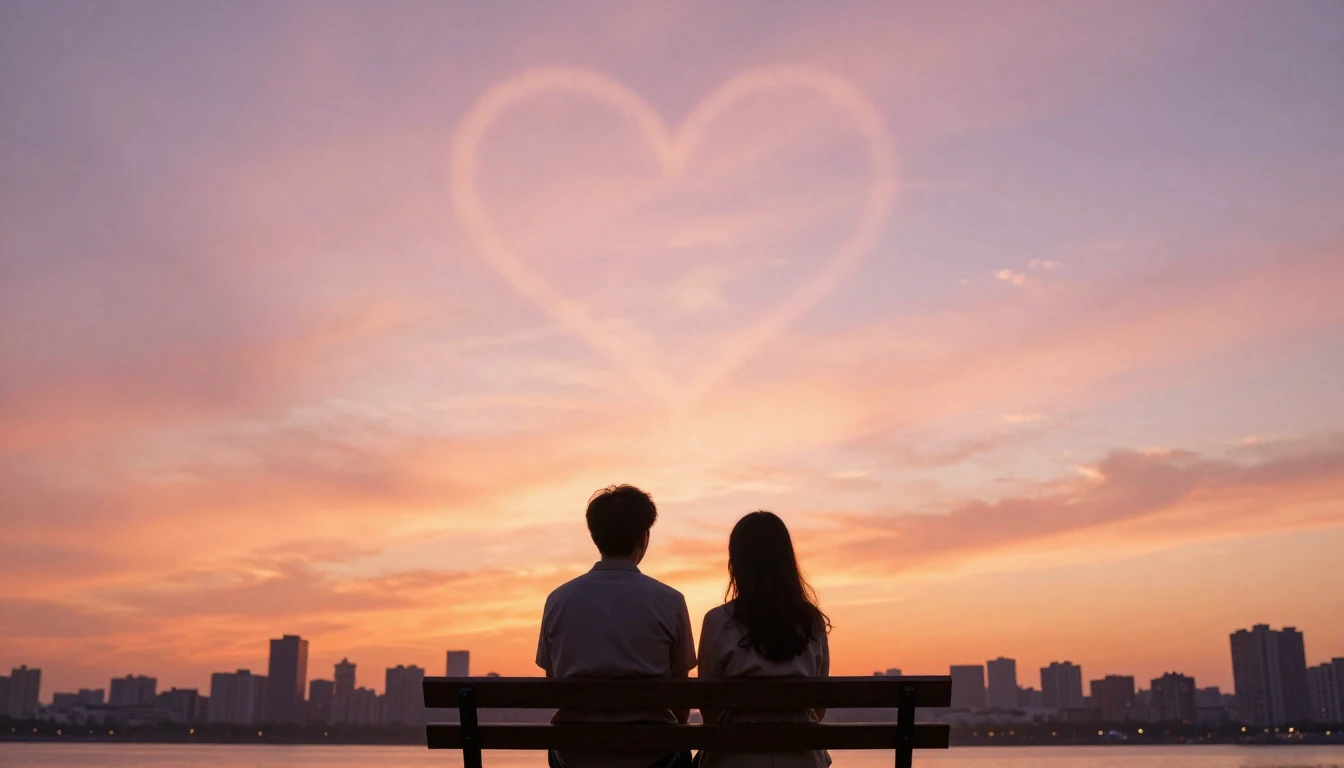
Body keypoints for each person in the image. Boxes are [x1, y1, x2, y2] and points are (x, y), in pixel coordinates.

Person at [536, 484, 697, 768]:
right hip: (652, 757)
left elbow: (553, 682)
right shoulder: (670, 601)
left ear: (595, 536)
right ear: (643, 538)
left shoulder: (559, 600)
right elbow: (681, 705)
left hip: (575, 756)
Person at [696, 511, 832, 768]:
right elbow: (820, 707)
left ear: (736, 562)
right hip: (801, 757)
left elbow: (708, 709)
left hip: (734, 758)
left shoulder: (717, 621)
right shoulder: (811, 621)